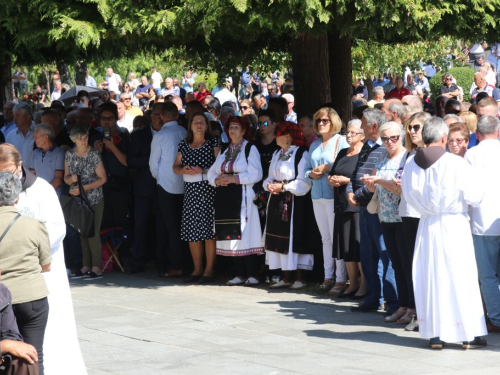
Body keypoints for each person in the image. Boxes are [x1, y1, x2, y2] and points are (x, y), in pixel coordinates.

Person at [0, 144, 87, 375]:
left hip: (37, 271)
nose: (4, 177)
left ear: (20, 166)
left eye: (8, 171)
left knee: (37, 344)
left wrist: (28, 248)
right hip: (7, 277)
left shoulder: (42, 190)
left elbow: (57, 228)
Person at [401, 116, 487, 349]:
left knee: (431, 276)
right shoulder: (455, 163)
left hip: (427, 224)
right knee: (460, 276)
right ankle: (468, 334)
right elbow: (474, 196)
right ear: (442, 138)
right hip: (453, 224)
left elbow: (408, 196)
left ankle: (436, 334)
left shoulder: (410, 163)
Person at [347, 109, 398, 314]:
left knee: (384, 254)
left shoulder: (384, 150)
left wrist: (358, 195)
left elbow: (376, 181)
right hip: (363, 207)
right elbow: (356, 174)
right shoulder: (367, 147)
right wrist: (350, 193)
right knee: (367, 254)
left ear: (374, 126)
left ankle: (390, 300)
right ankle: (373, 297)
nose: (361, 127)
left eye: (364, 123)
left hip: (377, 207)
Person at [0, 172, 51, 375]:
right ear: (17, 197)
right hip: (32, 298)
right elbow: (46, 265)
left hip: (2, 299)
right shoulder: (34, 225)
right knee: (32, 356)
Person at [361, 121, 410, 324]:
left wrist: (379, 181)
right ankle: (402, 305)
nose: (389, 142)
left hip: (402, 217)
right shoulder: (381, 155)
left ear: (401, 137)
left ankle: (410, 307)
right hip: (385, 216)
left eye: (393, 137)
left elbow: (399, 189)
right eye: (385, 138)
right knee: (396, 264)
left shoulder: (407, 157)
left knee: (404, 264)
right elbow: (373, 187)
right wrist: (371, 183)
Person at [207, 116, 264, 286]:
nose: (232, 130)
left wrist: (234, 179)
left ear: (244, 130)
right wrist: (217, 180)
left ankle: (252, 273)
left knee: (245, 234)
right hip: (226, 199)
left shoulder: (249, 148)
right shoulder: (225, 150)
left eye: (237, 127)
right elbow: (211, 172)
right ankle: (239, 274)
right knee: (232, 235)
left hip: (243, 199)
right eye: (230, 127)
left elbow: (256, 174)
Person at [264, 121, 313, 289]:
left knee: (296, 236)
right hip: (277, 200)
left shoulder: (301, 154)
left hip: (295, 201)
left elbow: (304, 182)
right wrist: (269, 185)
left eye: (277, 133)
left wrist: (284, 187)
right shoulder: (277, 153)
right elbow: (270, 176)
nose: (274, 136)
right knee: (279, 236)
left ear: (287, 136)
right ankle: (286, 277)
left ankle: (300, 278)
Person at [173, 113, 221, 283]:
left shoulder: (213, 142)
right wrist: (183, 170)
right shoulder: (184, 144)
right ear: (191, 126)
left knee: (208, 232)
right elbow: (175, 167)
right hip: (191, 191)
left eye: (202, 122)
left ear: (207, 126)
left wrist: (204, 170)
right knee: (193, 231)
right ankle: (197, 269)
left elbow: (219, 166)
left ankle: (209, 270)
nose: (199, 124)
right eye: (195, 122)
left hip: (208, 190)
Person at [305, 107, 348, 294]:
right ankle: (328, 276)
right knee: (325, 239)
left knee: (336, 238)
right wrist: (312, 173)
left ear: (334, 122)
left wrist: (327, 168)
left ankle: (340, 278)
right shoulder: (313, 145)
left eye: (325, 120)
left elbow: (346, 165)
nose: (321, 124)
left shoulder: (342, 141)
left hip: (333, 196)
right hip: (316, 195)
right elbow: (306, 171)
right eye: (318, 121)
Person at [465, 115, 500, 334]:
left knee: (487, 275)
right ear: (497, 132)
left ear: (477, 134)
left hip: (482, 220)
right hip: (490, 218)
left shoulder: (472, 154)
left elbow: (470, 190)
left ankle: (496, 319)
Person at [395, 111, 430, 331]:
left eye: (416, 127)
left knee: (421, 265)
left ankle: (423, 313)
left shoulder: (430, 154)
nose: (412, 131)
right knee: (409, 263)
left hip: (422, 215)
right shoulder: (409, 154)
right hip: (406, 213)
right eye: (409, 127)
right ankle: (413, 308)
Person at [328, 119, 367, 299]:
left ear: (362, 135)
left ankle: (364, 285)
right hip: (341, 202)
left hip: (356, 203)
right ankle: (352, 283)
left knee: (358, 245)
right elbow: (333, 171)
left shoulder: (365, 153)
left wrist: (345, 181)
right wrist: (331, 179)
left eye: (353, 133)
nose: (349, 136)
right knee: (346, 246)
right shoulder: (343, 152)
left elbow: (360, 176)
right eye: (348, 133)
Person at [149, 102, 187, 277]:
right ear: (177, 115)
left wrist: (160, 179)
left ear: (162, 116)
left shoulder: (160, 135)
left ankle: (177, 264)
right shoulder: (185, 132)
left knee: (171, 228)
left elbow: (153, 164)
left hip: (165, 185)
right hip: (186, 183)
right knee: (183, 225)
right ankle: (184, 262)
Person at [65, 125, 107, 279]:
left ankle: (96, 267)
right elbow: (66, 177)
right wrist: (72, 179)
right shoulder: (69, 154)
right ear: (74, 140)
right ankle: (85, 266)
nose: (85, 140)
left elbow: (103, 178)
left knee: (93, 232)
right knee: (82, 232)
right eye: (81, 138)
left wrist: (83, 188)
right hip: (78, 200)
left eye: (86, 137)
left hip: (94, 198)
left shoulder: (94, 153)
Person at [29, 123, 65, 196]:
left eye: (36, 137)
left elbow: (58, 179)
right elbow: (30, 175)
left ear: (45, 138)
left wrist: (45, 194)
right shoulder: (35, 153)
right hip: (37, 196)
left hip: (53, 196)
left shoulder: (59, 153)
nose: (34, 139)